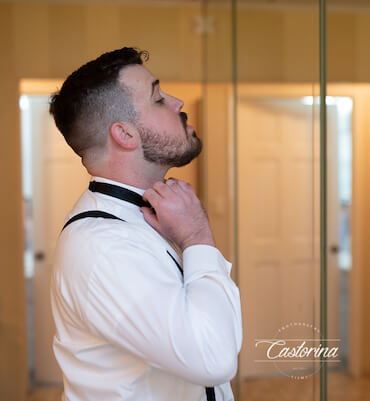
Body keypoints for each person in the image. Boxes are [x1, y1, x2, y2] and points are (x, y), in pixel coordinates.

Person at [49, 47, 242, 401]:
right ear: (124, 134)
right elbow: (213, 358)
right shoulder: (104, 247)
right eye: (158, 98)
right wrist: (198, 236)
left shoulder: (136, 219)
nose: (177, 101)